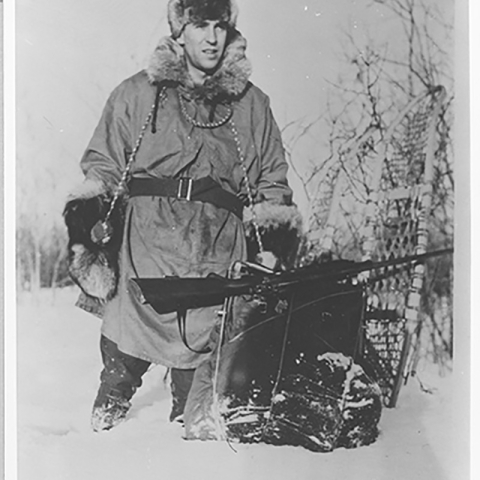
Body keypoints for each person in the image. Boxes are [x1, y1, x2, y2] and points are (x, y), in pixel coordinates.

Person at [64, 0, 302, 433]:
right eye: (199, 26)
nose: (211, 38)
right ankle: (107, 418)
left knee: (201, 353)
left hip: (216, 245)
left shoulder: (251, 104)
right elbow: (103, 164)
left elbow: (271, 178)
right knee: (125, 345)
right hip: (147, 240)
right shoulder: (137, 93)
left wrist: (271, 245)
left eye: (219, 26)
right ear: (180, 30)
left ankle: (185, 429)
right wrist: (89, 225)